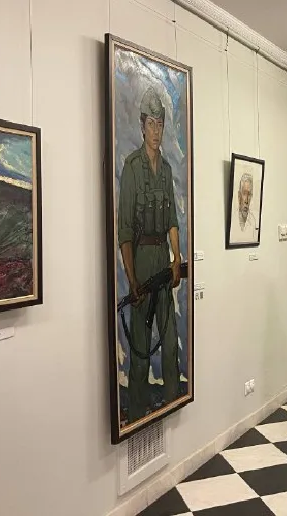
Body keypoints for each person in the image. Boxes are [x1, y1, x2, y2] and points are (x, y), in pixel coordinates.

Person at [117, 86, 183, 422]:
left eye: (161, 124)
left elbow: (171, 219)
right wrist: (132, 279)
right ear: (142, 126)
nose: (156, 131)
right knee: (141, 347)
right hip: (141, 260)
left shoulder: (167, 169)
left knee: (169, 341)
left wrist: (177, 258)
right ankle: (138, 412)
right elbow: (125, 231)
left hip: (162, 258)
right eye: (151, 124)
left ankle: (172, 403)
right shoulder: (131, 167)